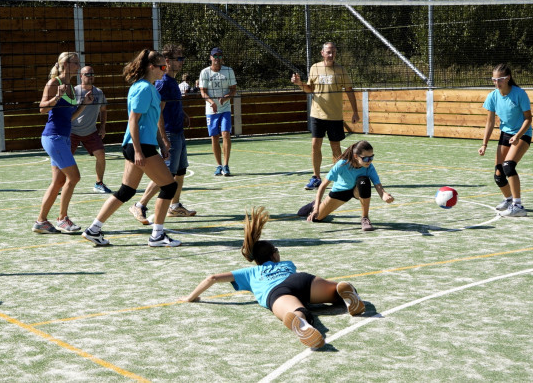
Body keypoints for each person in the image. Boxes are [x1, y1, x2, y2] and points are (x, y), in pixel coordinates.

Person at [180, 206, 366, 349]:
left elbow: (212, 277)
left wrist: (191, 297)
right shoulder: (287, 264)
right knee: (334, 293)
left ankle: (301, 324)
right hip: (302, 279)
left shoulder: (250, 272)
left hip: (277, 292)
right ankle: (344, 292)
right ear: (274, 255)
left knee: (297, 312)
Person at [81, 49, 182, 247]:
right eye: (162, 67)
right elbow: (133, 121)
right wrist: (137, 150)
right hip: (139, 145)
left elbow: (149, 121)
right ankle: (157, 236)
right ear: (151, 67)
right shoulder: (144, 88)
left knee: (126, 191)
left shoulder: (148, 87)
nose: (165, 70)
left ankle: (93, 230)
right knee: (169, 186)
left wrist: (161, 144)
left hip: (142, 144)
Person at [130, 44, 196, 225]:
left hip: (178, 131)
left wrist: (182, 113)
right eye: (178, 58)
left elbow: (169, 106)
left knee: (180, 172)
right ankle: (140, 204)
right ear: (167, 61)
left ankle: (175, 207)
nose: (182, 62)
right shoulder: (164, 82)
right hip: (169, 133)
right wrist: (164, 138)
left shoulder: (172, 82)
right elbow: (158, 111)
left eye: (182, 58)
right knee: (166, 174)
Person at [34, 52, 94, 234]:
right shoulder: (54, 83)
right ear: (65, 65)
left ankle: (41, 221)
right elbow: (42, 109)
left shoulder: (70, 87)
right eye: (75, 62)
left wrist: (83, 104)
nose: (78, 66)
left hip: (63, 137)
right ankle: (62, 219)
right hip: (53, 138)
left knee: (59, 181)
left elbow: (70, 117)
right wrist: (56, 97)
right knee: (74, 177)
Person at [291, 42, 359, 190]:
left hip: (334, 116)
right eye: (328, 51)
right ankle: (316, 178)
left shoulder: (341, 70)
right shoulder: (315, 67)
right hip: (317, 114)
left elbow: (349, 90)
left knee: (336, 148)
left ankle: (340, 177)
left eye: (334, 51)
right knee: (315, 145)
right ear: (322, 53)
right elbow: (309, 89)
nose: (331, 54)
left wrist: (355, 112)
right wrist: (299, 83)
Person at [297, 140, 394, 231]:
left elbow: (378, 185)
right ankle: (313, 204)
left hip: (356, 190)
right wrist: (316, 208)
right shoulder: (342, 164)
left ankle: (365, 218)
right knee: (317, 218)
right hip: (340, 192)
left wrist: (384, 195)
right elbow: (323, 186)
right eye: (365, 158)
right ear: (356, 156)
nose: (369, 161)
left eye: (371, 157)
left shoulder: (369, 167)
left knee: (363, 181)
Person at [477, 63, 532, 217]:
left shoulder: (520, 94)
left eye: (499, 79)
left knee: (508, 166)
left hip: (523, 133)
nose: (496, 83)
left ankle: (518, 206)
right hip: (506, 135)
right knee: (499, 174)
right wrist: (484, 144)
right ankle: (508, 199)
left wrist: (518, 136)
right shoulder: (493, 96)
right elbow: (489, 122)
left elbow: (528, 119)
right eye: (493, 80)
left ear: (508, 78)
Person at [70, 66, 112, 194]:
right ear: (81, 76)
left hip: (91, 131)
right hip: (72, 132)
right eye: (87, 74)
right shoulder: (73, 91)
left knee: (101, 155)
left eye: (92, 74)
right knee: (65, 158)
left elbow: (103, 110)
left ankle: (99, 183)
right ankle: (59, 183)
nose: (90, 76)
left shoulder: (99, 92)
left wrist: (103, 126)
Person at [200, 47, 236, 176]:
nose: (217, 59)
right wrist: (211, 102)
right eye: (215, 56)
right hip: (211, 110)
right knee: (214, 136)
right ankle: (218, 165)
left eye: (219, 56)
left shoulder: (228, 71)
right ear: (210, 57)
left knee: (226, 134)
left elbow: (233, 89)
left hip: (225, 108)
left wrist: (226, 97)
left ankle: (226, 165)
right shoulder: (205, 72)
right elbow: (203, 92)